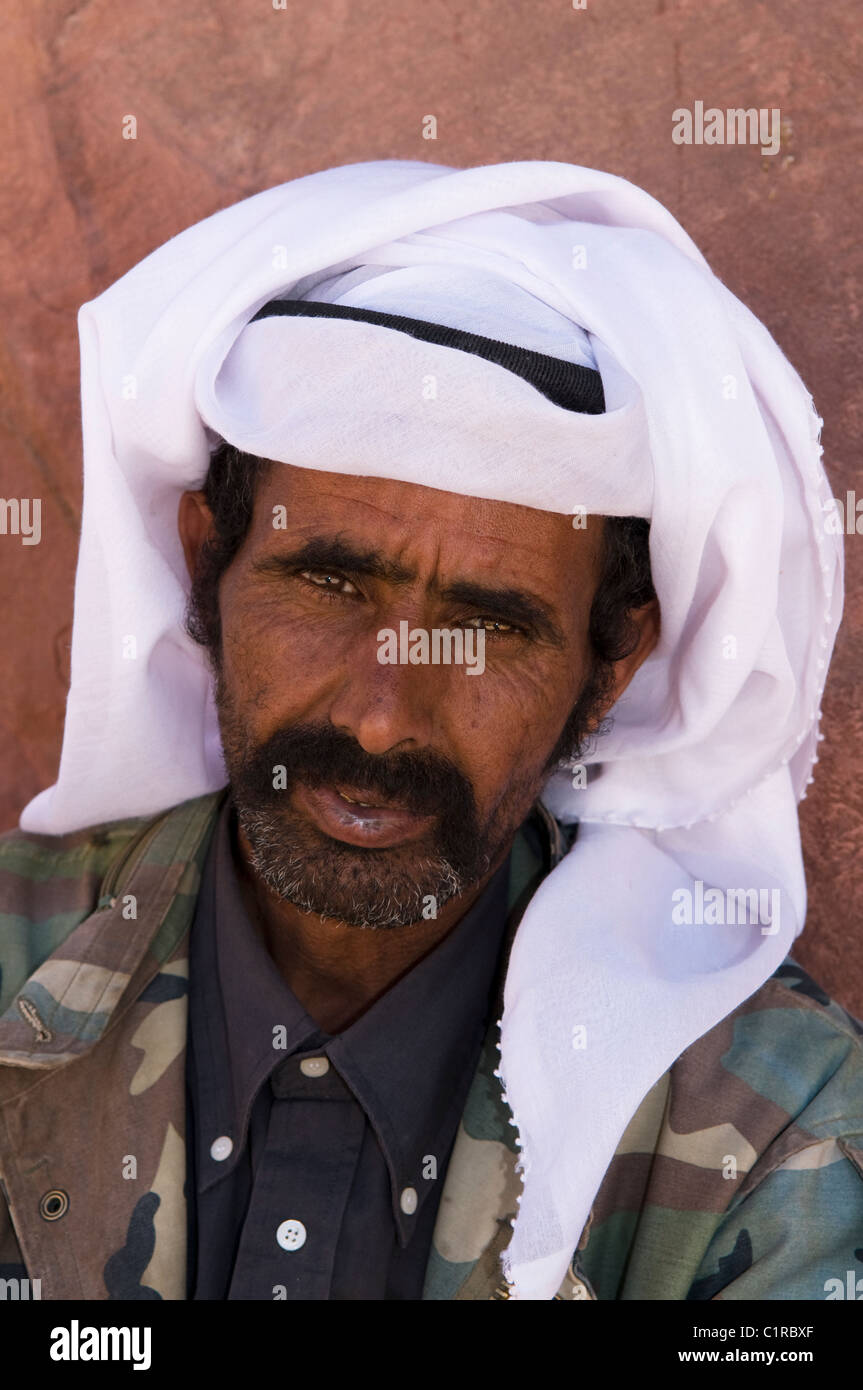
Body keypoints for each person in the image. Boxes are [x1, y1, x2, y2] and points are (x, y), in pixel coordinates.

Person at [1, 158, 860, 1302]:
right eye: (329, 585)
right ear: (206, 560)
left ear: (609, 665)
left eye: (488, 629)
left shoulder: (768, 1126)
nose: (379, 712)